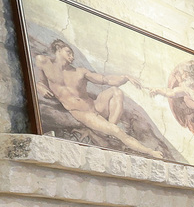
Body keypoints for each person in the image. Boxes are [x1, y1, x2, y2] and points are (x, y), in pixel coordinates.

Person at [32, 40, 165, 159]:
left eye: (72, 54)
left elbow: (105, 80)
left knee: (116, 91)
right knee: (117, 131)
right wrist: (40, 87)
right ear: (58, 49)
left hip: (95, 105)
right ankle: (148, 151)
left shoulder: (80, 72)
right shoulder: (43, 61)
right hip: (84, 113)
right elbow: (40, 81)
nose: (72, 56)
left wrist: (125, 77)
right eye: (68, 52)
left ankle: (110, 128)